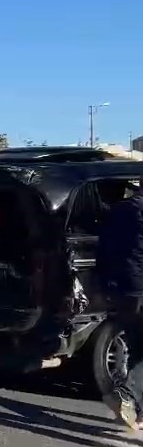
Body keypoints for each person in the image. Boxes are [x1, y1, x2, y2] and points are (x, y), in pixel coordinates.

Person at [96, 179, 143, 432]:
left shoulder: (119, 210)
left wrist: (104, 286)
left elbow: (102, 250)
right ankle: (125, 394)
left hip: (121, 289)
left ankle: (139, 414)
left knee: (138, 348)